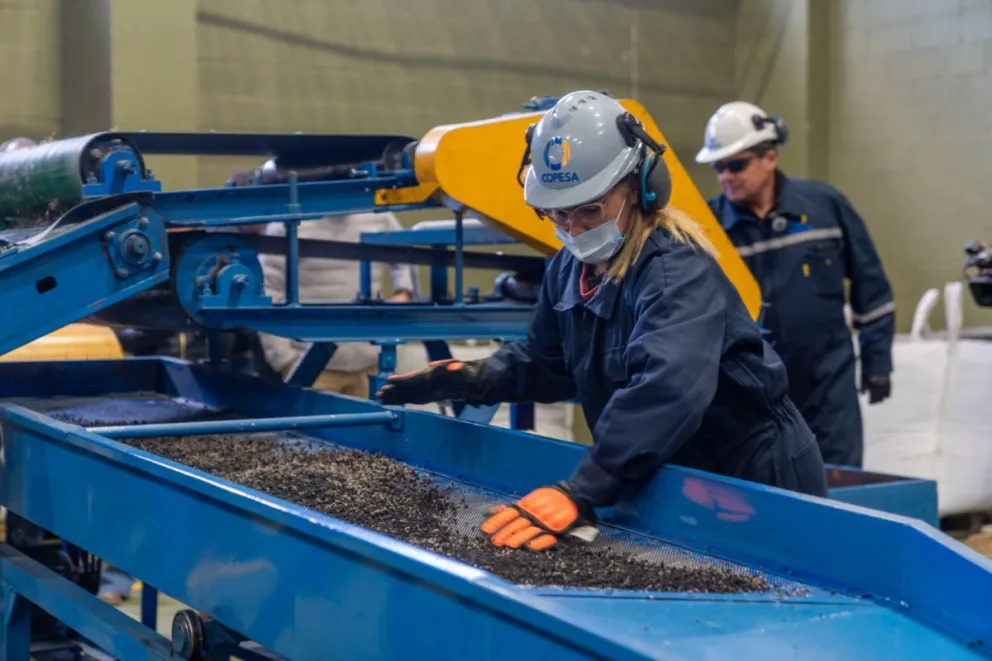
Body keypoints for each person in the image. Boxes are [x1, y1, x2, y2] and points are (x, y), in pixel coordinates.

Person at [377, 91, 827, 553]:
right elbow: (547, 361)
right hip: (675, 473)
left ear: (639, 188)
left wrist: (584, 488)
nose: (573, 229)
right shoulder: (569, 268)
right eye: (557, 213)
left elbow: (667, 389)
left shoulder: (676, 270)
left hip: (752, 478)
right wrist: (477, 378)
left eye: (590, 209)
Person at [695, 101, 894, 468]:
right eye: (718, 167)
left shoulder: (824, 206)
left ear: (770, 157)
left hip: (827, 384)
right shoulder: (710, 231)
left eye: (736, 164)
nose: (726, 176)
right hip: (754, 392)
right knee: (769, 493)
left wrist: (877, 360)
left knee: (839, 483)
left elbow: (872, 288)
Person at [256, 211, 416, 399]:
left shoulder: (380, 217)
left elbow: (405, 256)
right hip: (314, 369)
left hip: (371, 364)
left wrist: (404, 291)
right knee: (313, 429)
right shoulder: (286, 226)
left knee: (372, 428)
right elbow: (268, 291)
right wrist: (284, 360)